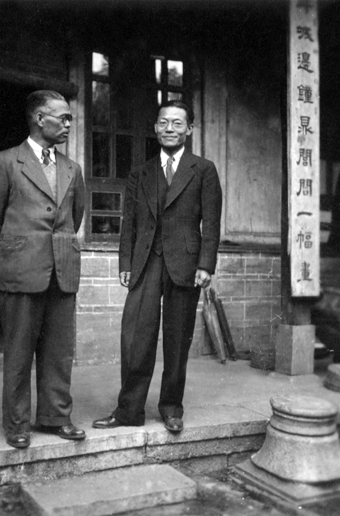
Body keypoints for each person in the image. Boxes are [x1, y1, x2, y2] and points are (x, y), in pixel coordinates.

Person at [93, 100, 222, 433]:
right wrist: (125, 262)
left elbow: (211, 222)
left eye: (177, 123)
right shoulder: (141, 172)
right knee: (136, 336)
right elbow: (130, 222)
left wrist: (206, 265)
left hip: (186, 264)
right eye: (164, 122)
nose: (169, 129)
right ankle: (129, 410)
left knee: (177, 340)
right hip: (146, 260)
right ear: (155, 128)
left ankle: (171, 407)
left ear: (189, 129)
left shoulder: (203, 169)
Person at [0, 90, 85, 449]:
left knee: (59, 351)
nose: (68, 124)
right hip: (21, 269)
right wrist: (13, 249)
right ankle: (17, 424)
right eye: (62, 118)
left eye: (69, 119)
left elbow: (75, 216)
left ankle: (56, 417)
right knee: (19, 351)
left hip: (62, 270)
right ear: (39, 118)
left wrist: (57, 248)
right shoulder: (5, 161)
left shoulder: (72, 168)